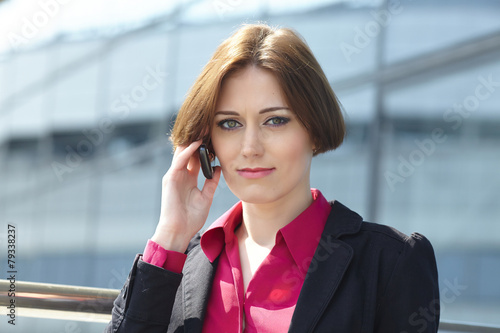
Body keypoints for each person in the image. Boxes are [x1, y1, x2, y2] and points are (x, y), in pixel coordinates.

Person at [106, 23, 440, 332]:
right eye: (230, 123)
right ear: (207, 144)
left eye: (275, 121)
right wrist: (170, 236)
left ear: (313, 128)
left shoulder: (391, 262)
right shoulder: (182, 262)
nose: (250, 148)